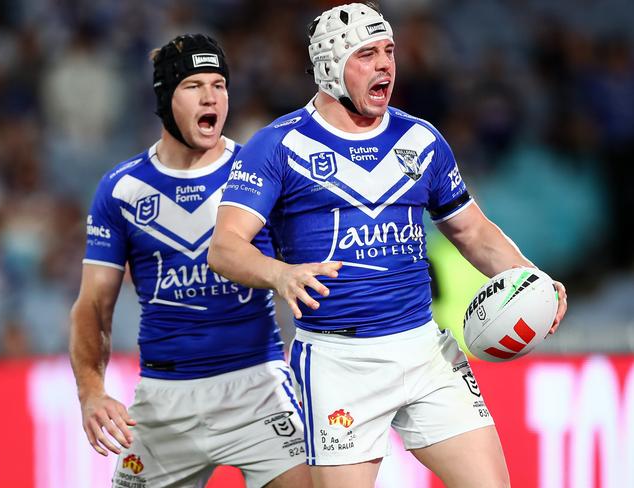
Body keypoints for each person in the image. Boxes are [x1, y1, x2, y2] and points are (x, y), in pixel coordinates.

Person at [207, 3, 568, 488]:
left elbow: (473, 231)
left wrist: (532, 279)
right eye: (367, 54)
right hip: (338, 363)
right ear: (332, 67)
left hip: (426, 352)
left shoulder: (421, 139)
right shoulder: (277, 146)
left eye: (389, 51)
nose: (386, 65)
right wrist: (280, 274)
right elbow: (224, 248)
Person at [69, 34, 310, 488]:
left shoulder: (260, 171)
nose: (211, 97)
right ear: (164, 98)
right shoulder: (121, 189)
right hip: (163, 401)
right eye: (194, 85)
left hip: (259, 387)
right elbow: (93, 306)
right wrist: (90, 393)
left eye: (219, 84)